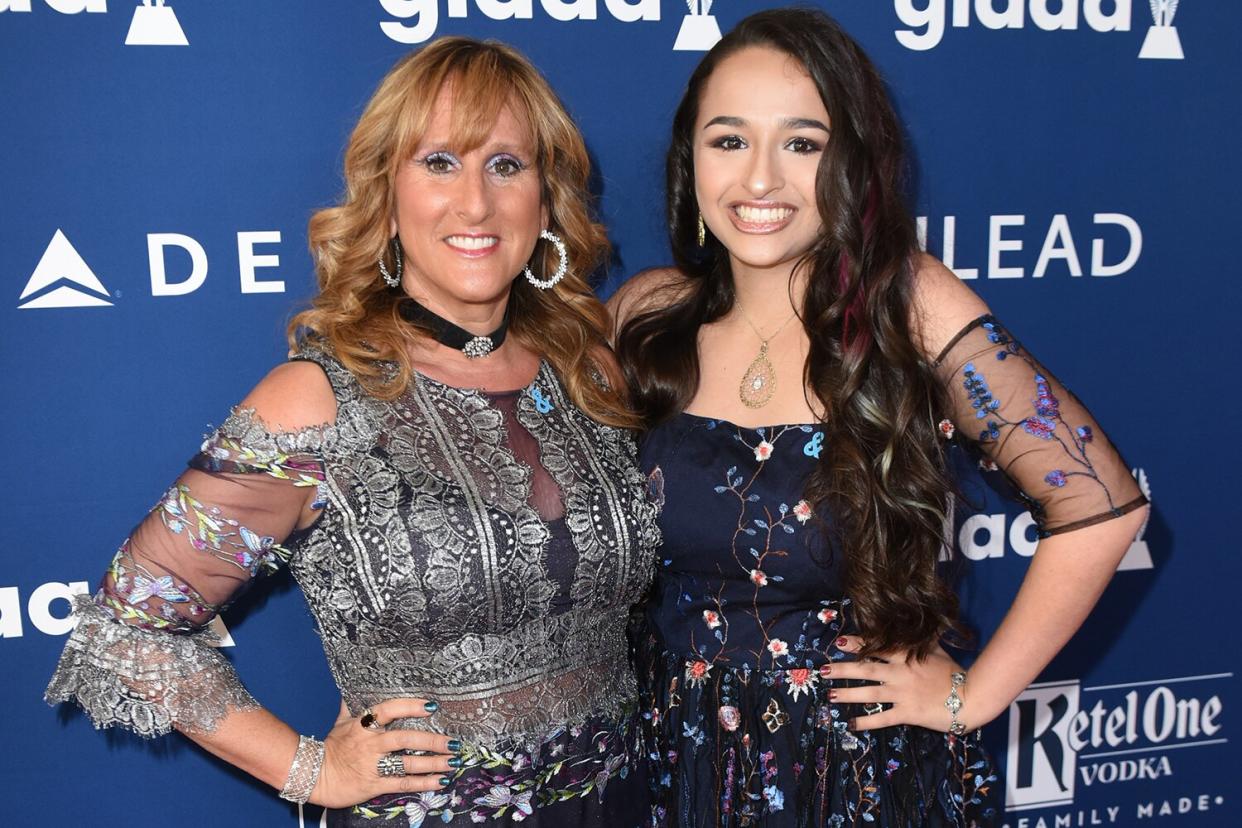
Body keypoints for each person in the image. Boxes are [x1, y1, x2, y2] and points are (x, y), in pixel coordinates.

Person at [46, 37, 660, 827]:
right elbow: (125, 631)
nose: (475, 203)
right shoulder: (313, 401)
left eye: (506, 165)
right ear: (386, 195)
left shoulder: (589, 375)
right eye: (439, 162)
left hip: (620, 804)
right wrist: (309, 768)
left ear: (545, 202)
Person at [611, 8, 1147, 827]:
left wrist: (975, 696)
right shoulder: (647, 317)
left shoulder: (910, 306)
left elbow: (1100, 503)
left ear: (852, 162)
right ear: (691, 160)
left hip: (846, 770)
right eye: (729, 141)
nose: (760, 180)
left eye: (802, 142)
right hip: (661, 758)